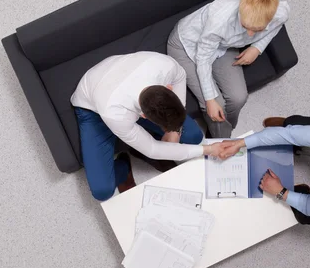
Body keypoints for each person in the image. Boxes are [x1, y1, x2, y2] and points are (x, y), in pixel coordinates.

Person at [71, 51, 226, 202]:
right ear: (143, 116)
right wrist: (209, 149)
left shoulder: (164, 65)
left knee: (193, 136)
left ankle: (155, 144)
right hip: (93, 109)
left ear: (168, 88)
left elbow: (180, 77)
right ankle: (124, 167)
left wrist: (175, 131)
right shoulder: (115, 113)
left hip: (121, 82)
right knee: (102, 191)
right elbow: (152, 149)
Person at [167, 0, 290, 138]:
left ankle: (221, 131)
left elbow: (278, 24)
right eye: (245, 26)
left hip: (223, 46)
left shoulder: (279, 12)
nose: (250, 35)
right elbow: (203, 58)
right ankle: (221, 140)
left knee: (239, 98)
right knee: (215, 104)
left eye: (257, 30)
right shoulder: (219, 19)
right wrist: (210, 100)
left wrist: (257, 48)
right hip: (187, 46)